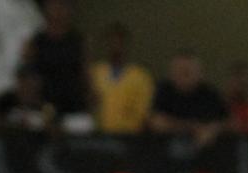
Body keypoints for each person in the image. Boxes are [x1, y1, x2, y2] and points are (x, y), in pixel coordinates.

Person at [22, 0, 93, 133]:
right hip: (42, 111)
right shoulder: (36, 42)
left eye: (63, 5)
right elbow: (28, 78)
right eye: (54, 5)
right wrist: (28, 108)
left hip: (74, 111)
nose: (58, 10)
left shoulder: (78, 41)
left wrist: (90, 102)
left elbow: (86, 76)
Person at [148, 51, 229, 149]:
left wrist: (213, 130)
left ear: (200, 73)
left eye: (188, 72)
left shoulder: (210, 94)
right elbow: (156, 122)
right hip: (163, 151)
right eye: (179, 71)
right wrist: (192, 128)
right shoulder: (161, 91)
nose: (183, 76)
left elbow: (227, 122)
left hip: (205, 154)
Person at [90, 21, 154, 134]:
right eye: (111, 42)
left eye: (119, 42)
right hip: (98, 135)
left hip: (129, 136)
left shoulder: (141, 76)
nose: (115, 47)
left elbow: (144, 113)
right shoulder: (94, 73)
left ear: (126, 45)